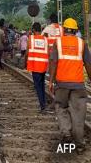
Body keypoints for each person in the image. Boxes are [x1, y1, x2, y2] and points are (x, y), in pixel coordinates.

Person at [49, 18, 91, 153]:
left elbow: (53, 63)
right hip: (78, 84)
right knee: (78, 114)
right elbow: (88, 64)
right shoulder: (82, 43)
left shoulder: (58, 43)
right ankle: (79, 144)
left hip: (61, 83)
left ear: (64, 30)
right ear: (75, 30)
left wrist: (51, 80)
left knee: (61, 108)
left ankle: (66, 132)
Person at [25, 22, 49, 113]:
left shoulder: (31, 39)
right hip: (43, 66)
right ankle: (44, 103)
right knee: (42, 86)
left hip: (35, 66)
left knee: (38, 87)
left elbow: (27, 53)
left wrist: (25, 63)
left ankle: (43, 106)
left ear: (34, 30)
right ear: (41, 30)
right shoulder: (45, 39)